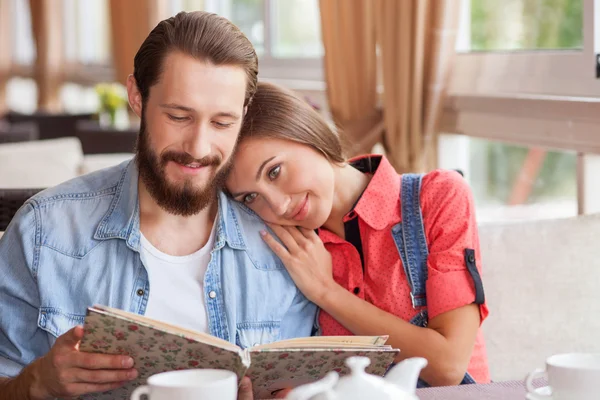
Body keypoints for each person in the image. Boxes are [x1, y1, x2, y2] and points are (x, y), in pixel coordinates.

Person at [0, 13, 316, 400]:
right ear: (137, 96)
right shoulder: (43, 232)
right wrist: (37, 382)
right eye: (179, 116)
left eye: (222, 123)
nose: (199, 148)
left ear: (244, 116)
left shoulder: (280, 252)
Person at [225, 82, 490, 387]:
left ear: (305, 130)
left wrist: (327, 292)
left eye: (274, 171)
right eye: (250, 198)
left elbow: (447, 365)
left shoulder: (438, 197)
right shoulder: (288, 251)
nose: (278, 205)